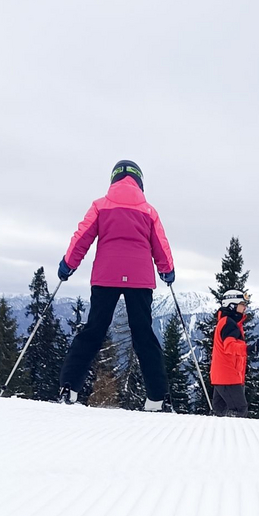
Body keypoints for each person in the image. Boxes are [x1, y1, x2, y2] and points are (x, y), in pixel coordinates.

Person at [56, 160, 175, 411]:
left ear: (113, 179)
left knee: (94, 330)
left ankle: (69, 388)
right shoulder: (149, 211)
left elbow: (82, 237)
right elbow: (160, 246)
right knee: (143, 334)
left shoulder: (101, 205)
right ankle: (156, 398)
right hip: (140, 279)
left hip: (106, 275)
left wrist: (68, 265)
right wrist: (167, 271)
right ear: (139, 181)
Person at [210, 290, 250, 417]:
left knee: (220, 413)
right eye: (242, 304)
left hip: (223, 376)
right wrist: (249, 349)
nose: (245, 307)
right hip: (228, 378)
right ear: (232, 305)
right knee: (239, 410)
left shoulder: (227, 322)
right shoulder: (229, 323)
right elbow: (230, 346)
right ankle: (231, 436)